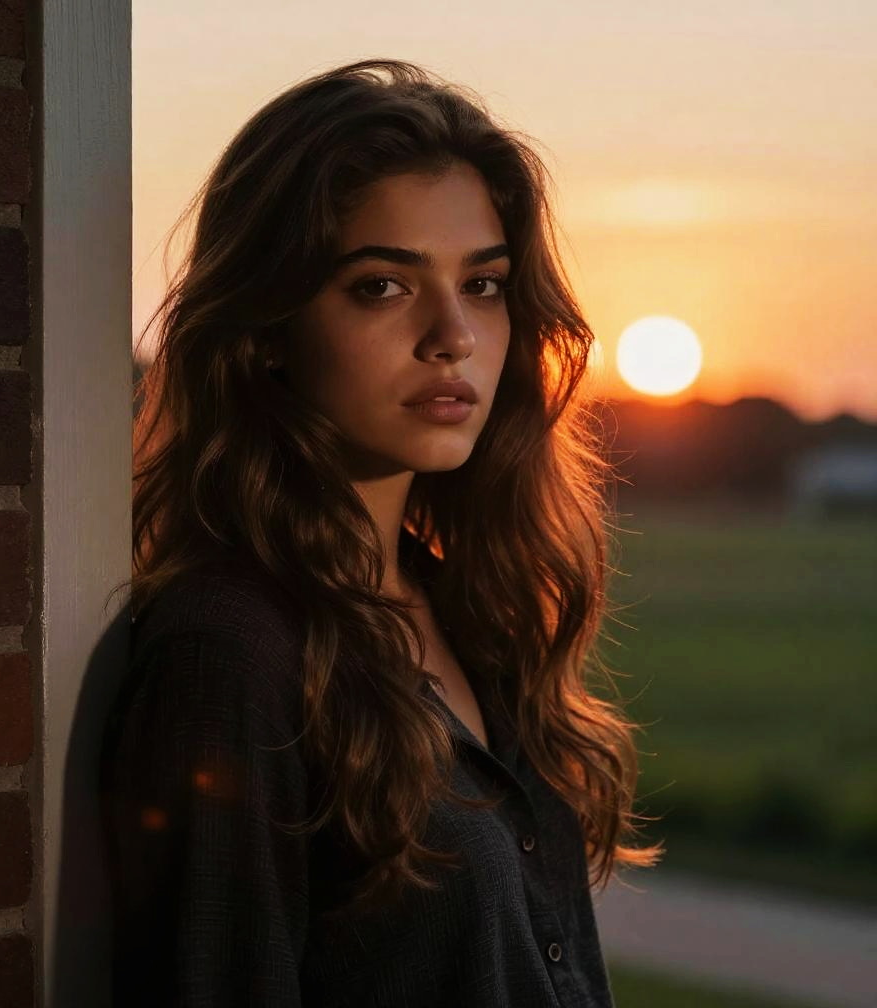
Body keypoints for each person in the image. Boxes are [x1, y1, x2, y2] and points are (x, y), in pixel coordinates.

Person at [100, 58, 660, 1007]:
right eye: (381, 287)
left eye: (482, 285)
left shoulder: (465, 604)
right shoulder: (231, 650)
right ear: (267, 327)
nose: (453, 335)